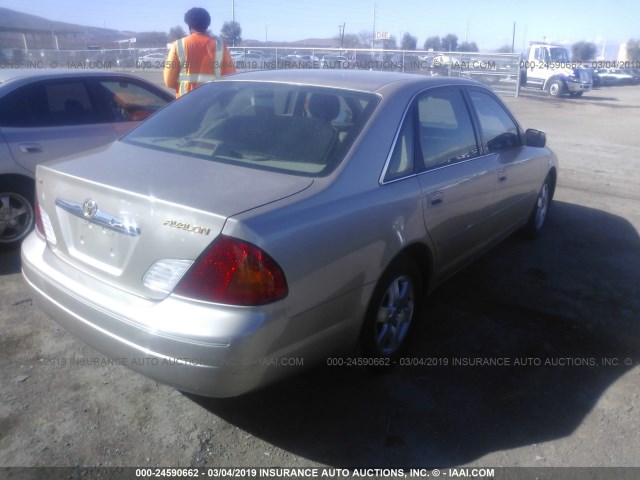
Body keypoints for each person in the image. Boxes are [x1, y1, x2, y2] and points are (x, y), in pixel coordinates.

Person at [164, 7, 236, 98]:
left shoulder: (178, 46)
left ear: (189, 26)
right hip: (212, 103)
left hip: (184, 103)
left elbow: (168, 82)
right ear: (207, 25)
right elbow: (230, 78)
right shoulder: (220, 47)